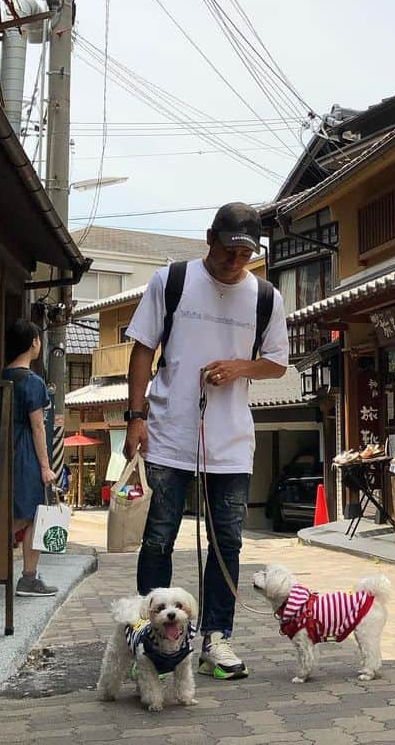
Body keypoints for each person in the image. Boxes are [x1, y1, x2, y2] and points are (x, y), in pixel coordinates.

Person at [124, 202, 289, 680]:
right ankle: (147, 635)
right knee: (159, 537)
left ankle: (216, 637)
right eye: (229, 249)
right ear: (209, 238)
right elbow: (142, 350)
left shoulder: (265, 297)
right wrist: (135, 417)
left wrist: (241, 367)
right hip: (169, 431)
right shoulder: (172, 280)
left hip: (232, 439)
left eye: (245, 253)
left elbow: (277, 360)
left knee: (228, 542)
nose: (236, 261)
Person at [2, 318, 59, 597]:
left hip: (2, 450)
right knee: (32, 514)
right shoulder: (32, 382)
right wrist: (46, 467)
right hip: (25, 451)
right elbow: (38, 426)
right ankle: (28, 577)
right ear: (34, 342)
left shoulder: (3, 377)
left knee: (6, 509)